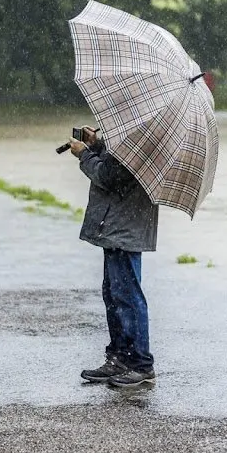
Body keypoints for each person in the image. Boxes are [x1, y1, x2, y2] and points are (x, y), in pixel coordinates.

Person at [69, 126, 159, 387]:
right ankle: (120, 357)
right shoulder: (133, 133)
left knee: (128, 295)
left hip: (126, 226)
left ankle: (141, 364)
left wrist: (85, 155)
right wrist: (96, 146)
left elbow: (111, 176)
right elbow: (112, 165)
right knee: (113, 292)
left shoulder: (141, 138)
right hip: (116, 223)